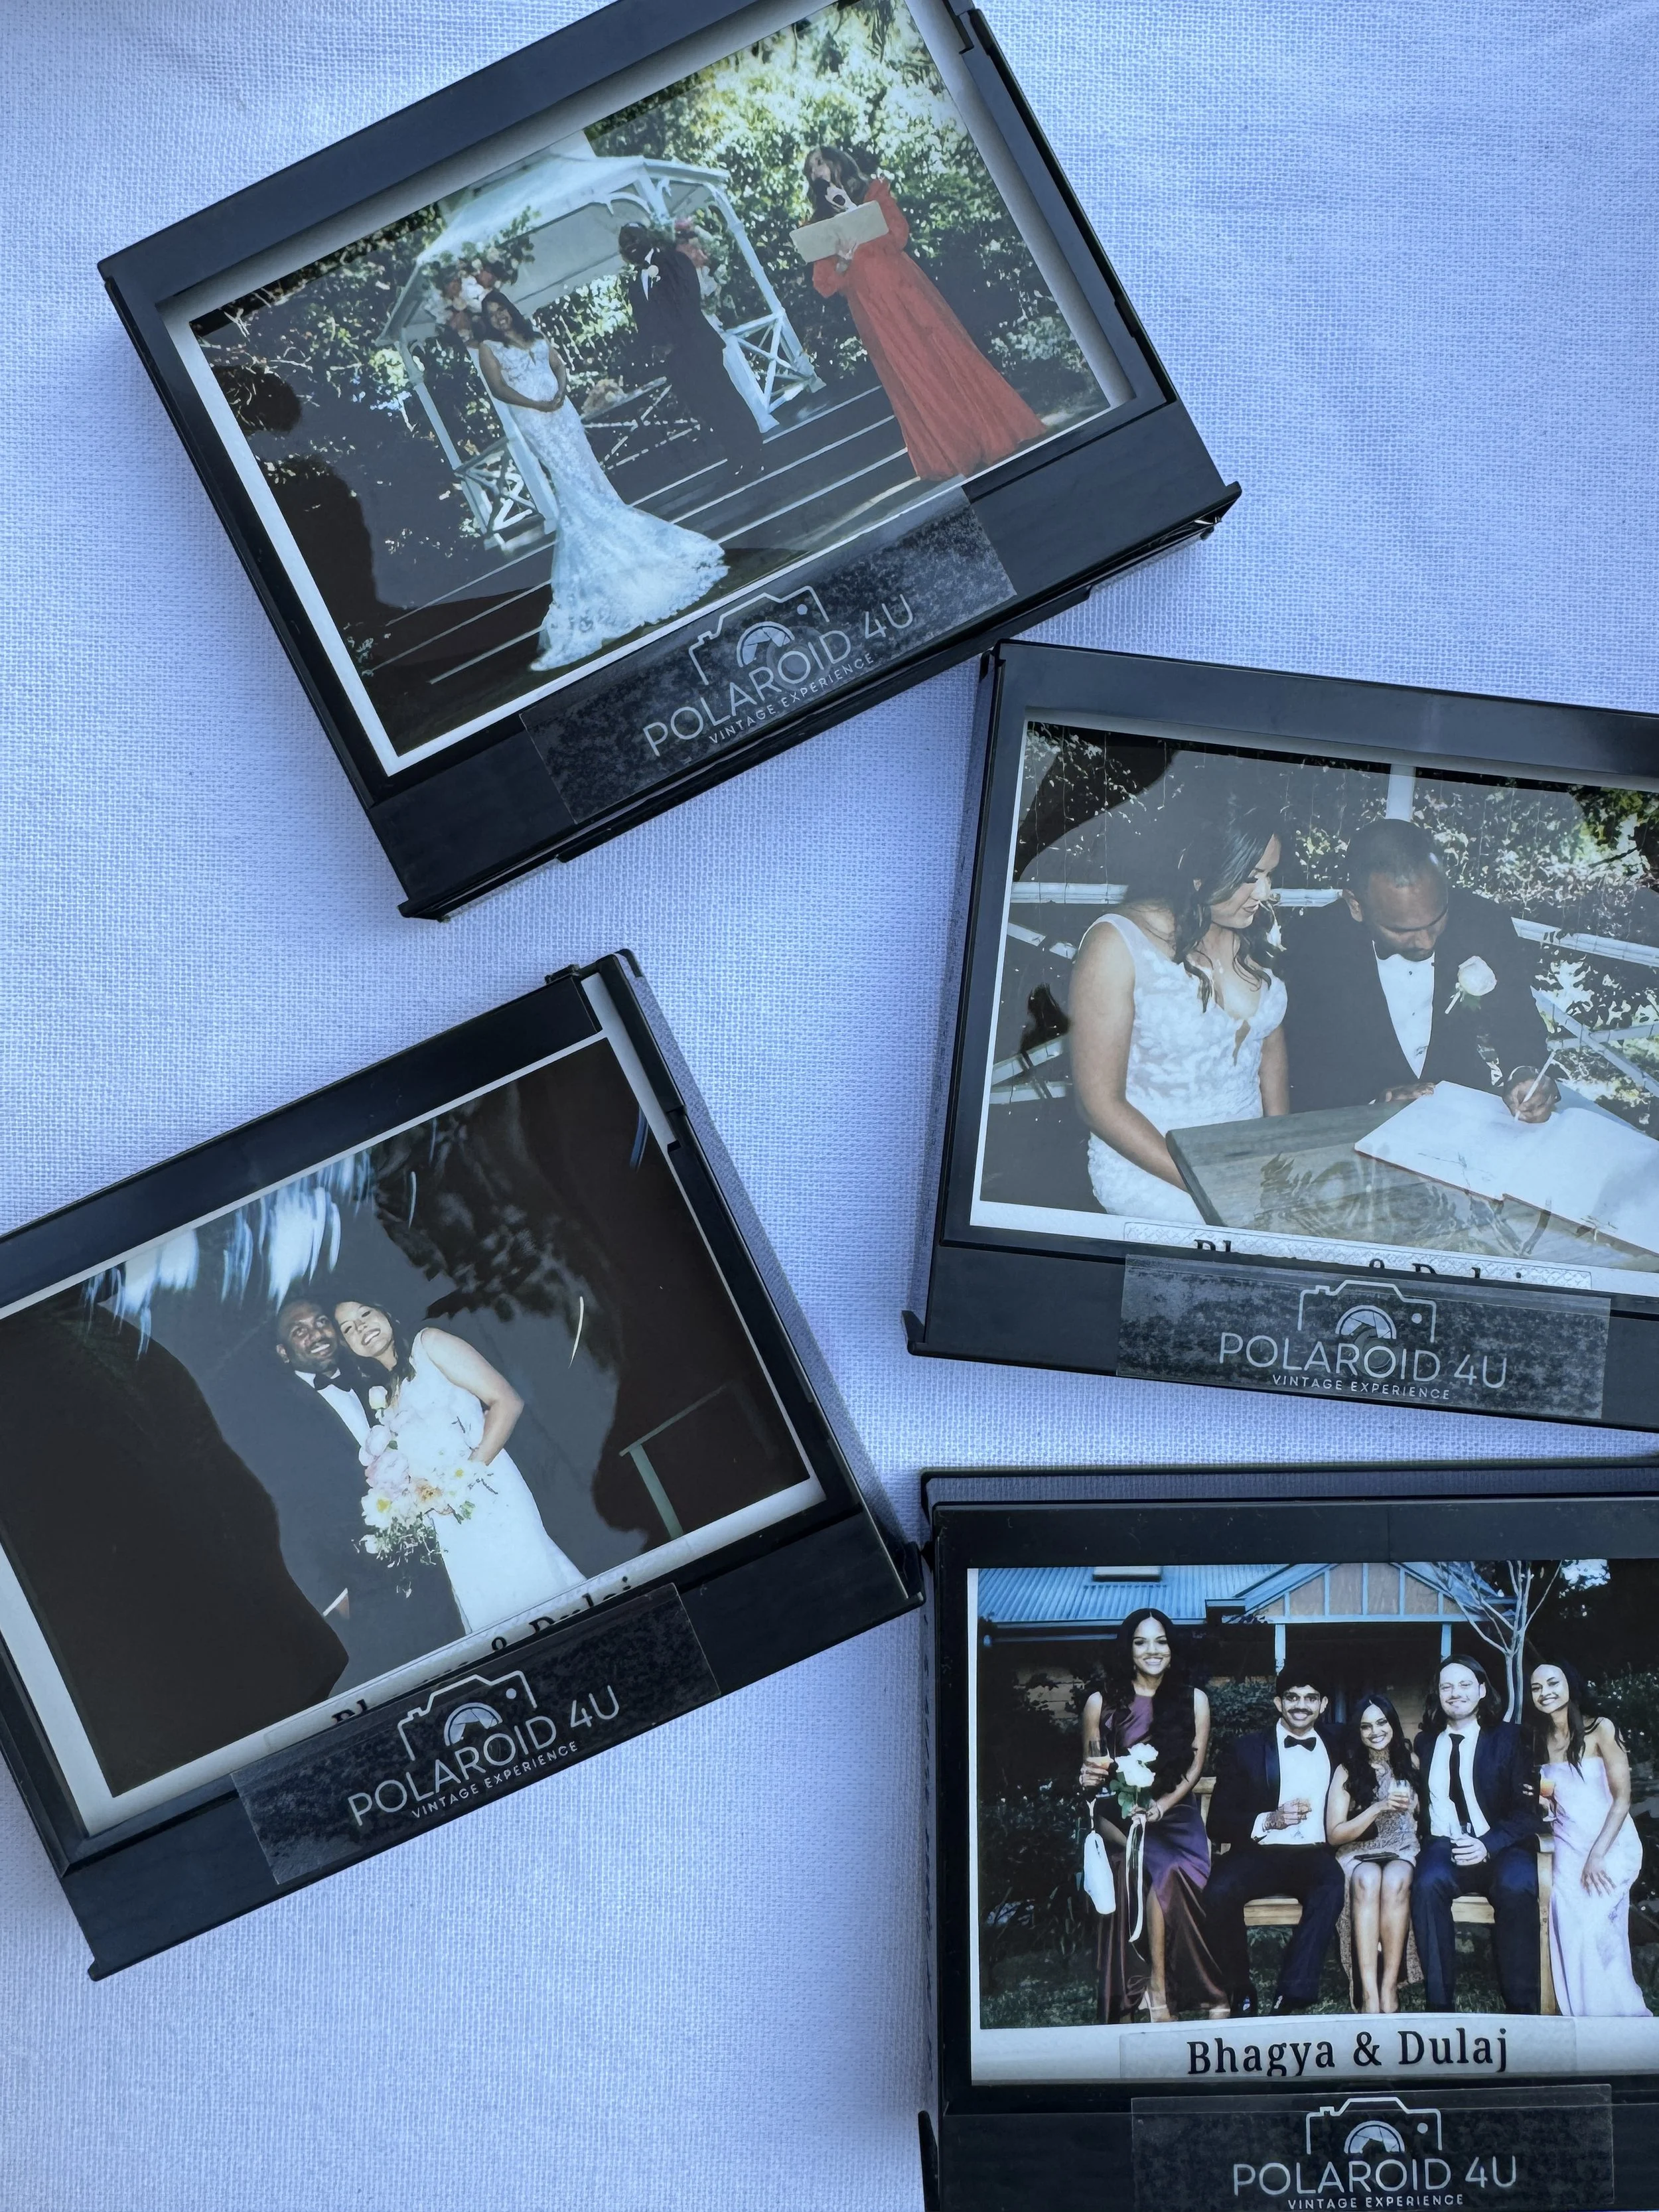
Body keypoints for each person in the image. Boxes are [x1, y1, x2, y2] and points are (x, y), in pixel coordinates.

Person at [473, 290, 726, 673]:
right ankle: (603, 542)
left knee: (589, 473)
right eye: (492, 314)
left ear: (511, 309)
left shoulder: (534, 334)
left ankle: (616, 530)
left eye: (502, 310)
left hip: (563, 413)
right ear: (488, 321)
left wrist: (560, 391)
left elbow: (558, 364)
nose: (500, 317)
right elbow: (499, 389)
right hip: (536, 421)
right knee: (569, 481)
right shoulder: (489, 349)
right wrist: (537, 404)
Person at [1068, 794, 1289, 1223]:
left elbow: (1267, 1051)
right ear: (1196, 868)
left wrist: (1277, 1159)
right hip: (1155, 1170)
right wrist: (1208, 1183)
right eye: (1250, 877)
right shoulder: (1117, 944)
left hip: (1248, 1170)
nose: (1265, 894)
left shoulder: (1255, 933)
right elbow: (1098, 1104)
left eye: (1270, 875)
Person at [332, 1298, 586, 1636]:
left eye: (365, 1313)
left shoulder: (429, 1345)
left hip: (490, 1492)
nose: (362, 1327)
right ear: (347, 1346)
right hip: (447, 1523)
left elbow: (506, 1402)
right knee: (489, 1607)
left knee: (533, 1584)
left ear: (385, 1311)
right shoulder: (387, 1398)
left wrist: (461, 1481)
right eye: (349, 1328)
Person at [1278, 817, 1559, 1119]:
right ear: (1356, 906)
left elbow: (1517, 1018)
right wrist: (1372, 1103)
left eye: (1438, 919)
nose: (1427, 942)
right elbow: (1304, 1061)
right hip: (1354, 1119)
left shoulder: (1484, 922)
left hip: (1462, 1111)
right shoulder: (1314, 941)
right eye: (1402, 930)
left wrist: (1525, 1072)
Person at [802, 147, 1045, 483]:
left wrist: (854, 211)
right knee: (910, 373)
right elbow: (825, 284)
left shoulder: (873, 192)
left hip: (906, 290)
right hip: (872, 311)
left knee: (946, 354)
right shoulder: (819, 225)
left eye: (819, 162)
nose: (816, 171)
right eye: (810, 170)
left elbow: (898, 234)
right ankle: (952, 452)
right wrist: (843, 260)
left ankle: (993, 434)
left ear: (836, 161)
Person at [267, 1297, 464, 1682]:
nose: (316, 1334)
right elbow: (283, 1517)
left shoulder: (373, 1376)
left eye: (321, 1322)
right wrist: (333, 1599)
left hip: (440, 1556)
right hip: (371, 1591)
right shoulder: (278, 1423)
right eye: (299, 1331)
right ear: (284, 1353)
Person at [1078, 1609, 1228, 2022]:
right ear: (1128, 1650)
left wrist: (1163, 1805)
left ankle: (1169, 1988)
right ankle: (1157, 1991)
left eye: (1161, 1641)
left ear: (1172, 1648)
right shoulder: (1101, 1703)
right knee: (1157, 1867)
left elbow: (1194, 1768)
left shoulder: (1195, 1700)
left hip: (1175, 1814)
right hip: (1121, 1815)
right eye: (1141, 1642)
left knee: (1176, 1869)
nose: (1152, 1650)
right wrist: (1088, 1777)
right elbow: (1092, 1773)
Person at [1202, 1668, 1346, 2015]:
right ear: (1278, 1703)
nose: (1301, 1706)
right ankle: (1240, 1989)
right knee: (1219, 1891)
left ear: (1324, 1704)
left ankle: (1293, 1991)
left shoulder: (1341, 1743)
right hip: (1258, 1853)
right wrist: (1270, 1819)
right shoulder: (1246, 1749)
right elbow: (1217, 1823)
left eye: (1311, 1698)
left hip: (1313, 1855)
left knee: (1332, 1884)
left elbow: (1387, 1749)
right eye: (1292, 1697)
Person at [1411, 1655, 1542, 2013]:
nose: (1455, 1693)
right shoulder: (1425, 1743)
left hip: (1501, 1845)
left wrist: (1487, 1845)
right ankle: (1439, 2005)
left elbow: (1527, 1812)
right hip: (1445, 1845)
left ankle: (1523, 2006)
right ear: (1438, 1695)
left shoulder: (1511, 1738)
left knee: (1518, 1885)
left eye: (1465, 1684)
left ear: (1482, 1690)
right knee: (1426, 1885)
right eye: (1447, 1686)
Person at [1528, 1657, 1650, 2017]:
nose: (1545, 1693)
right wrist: (1544, 1804)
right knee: (1569, 1921)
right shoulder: (1539, 1739)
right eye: (1536, 1688)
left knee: (1596, 1927)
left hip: (1608, 1843)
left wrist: (1597, 1856)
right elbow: (1550, 1795)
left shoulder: (1601, 1729)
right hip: (1566, 1845)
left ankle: (1619, 2015)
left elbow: (1623, 1799)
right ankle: (1582, 2016)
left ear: (1570, 1684)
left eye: (1553, 1683)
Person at [615, 226, 766, 480]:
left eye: (634, 239)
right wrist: (655, 347)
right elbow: (645, 321)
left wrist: (672, 341)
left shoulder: (673, 261)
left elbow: (688, 302)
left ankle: (753, 450)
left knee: (725, 400)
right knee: (706, 408)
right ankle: (736, 455)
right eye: (625, 245)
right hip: (676, 360)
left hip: (697, 347)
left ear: (648, 238)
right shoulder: (636, 284)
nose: (631, 246)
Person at [1326, 1694, 1422, 2013]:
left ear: (1393, 1724)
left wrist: (1416, 1806)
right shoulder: (1347, 1770)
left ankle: (1389, 1986)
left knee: (1395, 1880)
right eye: (1366, 1727)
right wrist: (1378, 1808)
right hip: (1359, 1850)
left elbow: (1422, 1816)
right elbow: (1334, 1834)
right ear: (1358, 1732)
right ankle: (1368, 1993)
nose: (1376, 1731)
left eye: (1382, 1723)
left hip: (1401, 1846)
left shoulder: (1410, 1762)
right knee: (1367, 1880)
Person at [674, 218, 778, 433]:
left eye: (693, 248)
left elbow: (714, 289)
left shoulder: (705, 271)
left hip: (717, 329)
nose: (695, 252)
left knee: (740, 374)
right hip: (703, 335)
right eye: (688, 249)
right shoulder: (682, 279)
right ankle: (746, 425)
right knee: (727, 381)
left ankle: (760, 417)